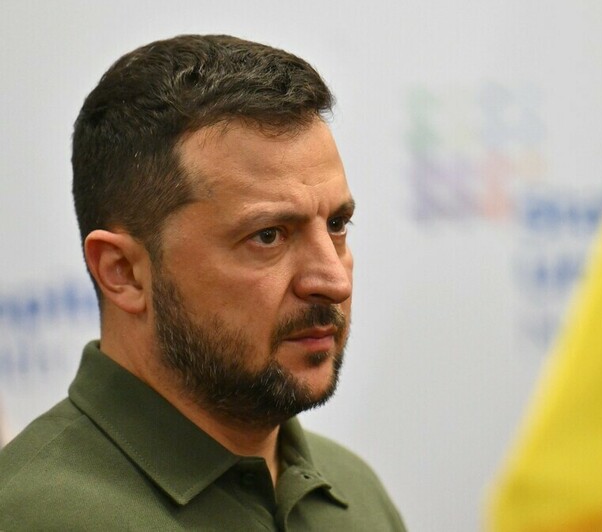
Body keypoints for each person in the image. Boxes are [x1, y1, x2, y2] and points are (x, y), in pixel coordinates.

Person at [0, 34, 406, 531]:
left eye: (337, 225)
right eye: (268, 235)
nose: (333, 281)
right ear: (123, 272)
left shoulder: (355, 494)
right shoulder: (30, 516)